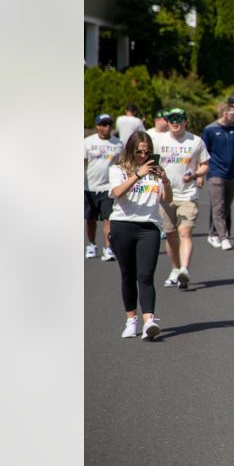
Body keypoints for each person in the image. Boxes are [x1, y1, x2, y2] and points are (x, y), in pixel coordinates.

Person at [108, 131, 172, 340]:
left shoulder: (155, 171)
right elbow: (117, 193)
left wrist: (166, 181)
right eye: (139, 151)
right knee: (128, 275)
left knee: (145, 275)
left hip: (149, 227)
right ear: (130, 150)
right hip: (122, 225)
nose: (144, 155)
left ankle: (149, 322)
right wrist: (138, 174)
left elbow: (167, 199)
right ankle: (131, 320)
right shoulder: (118, 169)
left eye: (147, 151)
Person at [154, 109, 209, 290]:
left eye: (178, 119)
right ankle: (175, 269)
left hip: (187, 195)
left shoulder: (196, 141)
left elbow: (205, 165)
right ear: (167, 122)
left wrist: (194, 175)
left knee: (185, 232)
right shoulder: (159, 141)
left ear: (185, 122)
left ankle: (184, 269)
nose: (175, 122)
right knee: (170, 235)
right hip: (165, 196)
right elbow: (152, 164)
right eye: (171, 119)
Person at [201, 101, 234, 250]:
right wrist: (199, 174)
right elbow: (202, 153)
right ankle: (224, 238)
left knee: (226, 206)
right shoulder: (210, 130)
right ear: (225, 114)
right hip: (216, 172)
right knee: (218, 206)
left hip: (232, 174)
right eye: (233, 114)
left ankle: (212, 234)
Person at [85, 114, 123, 261]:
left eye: (109, 124)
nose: (107, 127)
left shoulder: (118, 144)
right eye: (104, 124)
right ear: (97, 126)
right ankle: (91, 244)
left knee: (108, 219)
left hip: (109, 187)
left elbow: (121, 164)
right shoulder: (88, 142)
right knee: (90, 219)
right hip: (90, 186)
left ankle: (108, 248)